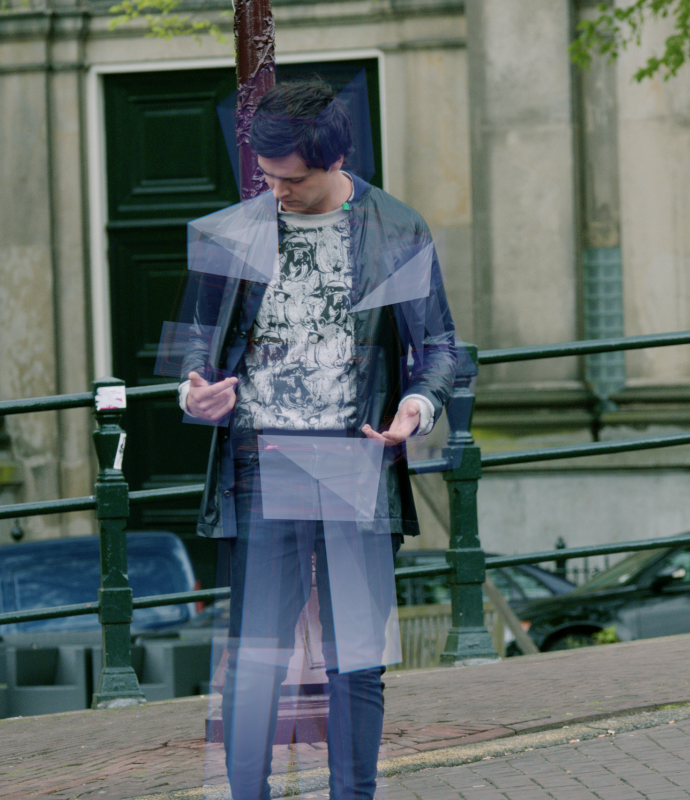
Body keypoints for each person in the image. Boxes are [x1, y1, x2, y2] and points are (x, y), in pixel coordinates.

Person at [170, 78, 459, 800]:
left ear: (336, 160)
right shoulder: (235, 231)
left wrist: (416, 407)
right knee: (256, 657)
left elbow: (441, 347)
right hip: (259, 463)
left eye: (292, 179)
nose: (276, 192)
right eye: (267, 177)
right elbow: (193, 341)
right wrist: (193, 392)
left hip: (355, 460)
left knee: (356, 659)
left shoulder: (397, 229)